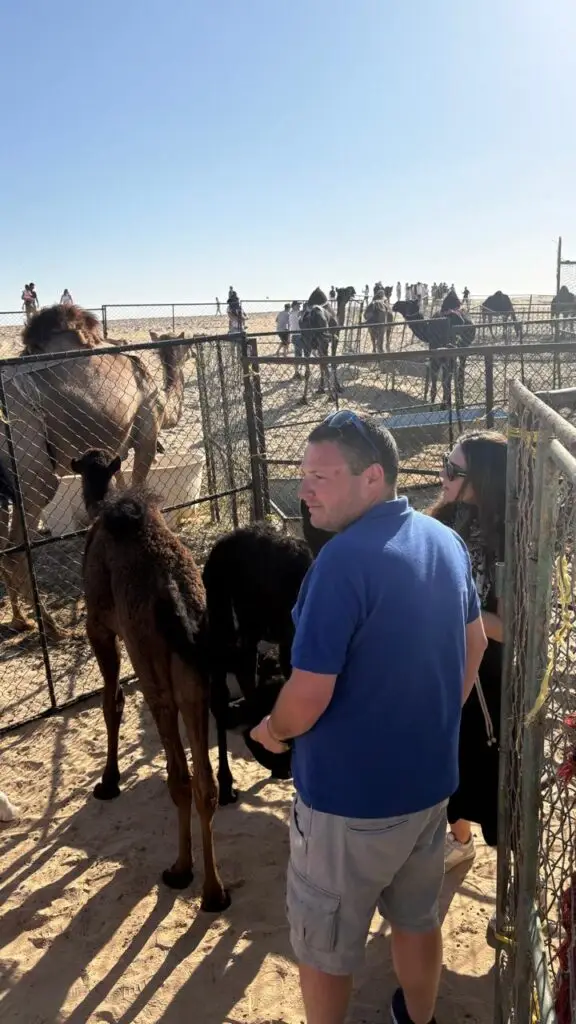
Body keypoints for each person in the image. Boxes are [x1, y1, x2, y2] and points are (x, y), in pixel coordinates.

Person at [250, 410, 488, 1024]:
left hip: (347, 805)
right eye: (302, 475)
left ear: (373, 477)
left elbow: (308, 695)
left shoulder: (340, 563)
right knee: (417, 916)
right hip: (430, 787)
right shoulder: (443, 540)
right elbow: (476, 645)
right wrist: (435, 718)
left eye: (321, 477)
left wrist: (273, 732)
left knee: (324, 945)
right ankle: (420, 1017)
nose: (303, 490)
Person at [428, 430, 506, 871]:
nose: (443, 475)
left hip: (487, 672)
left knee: (474, 760)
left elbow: (509, 628)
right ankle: (458, 840)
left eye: (454, 471)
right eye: (445, 462)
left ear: (485, 480)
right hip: (444, 658)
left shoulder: (509, 538)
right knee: (444, 753)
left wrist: (455, 611)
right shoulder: (451, 517)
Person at [289, 300, 303, 379]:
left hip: (294, 335)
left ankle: (297, 372)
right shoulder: (297, 313)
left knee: (297, 354)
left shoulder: (291, 313)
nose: (299, 306)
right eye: (298, 305)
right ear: (294, 306)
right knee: (299, 355)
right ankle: (297, 372)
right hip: (298, 335)